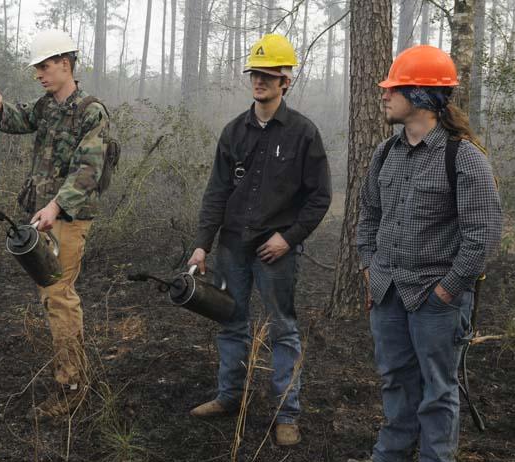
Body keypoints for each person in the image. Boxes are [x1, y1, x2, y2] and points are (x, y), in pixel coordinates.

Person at [354, 45, 502, 462]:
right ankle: (390, 454)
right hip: (387, 294)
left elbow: (483, 234)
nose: (384, 95)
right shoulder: (385, 153)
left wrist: (447, 291)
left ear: (419, 95)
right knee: (396, 381)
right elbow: (368, 214)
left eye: (393, 88)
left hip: (437, 301)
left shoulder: (464, 158)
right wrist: (370, 267)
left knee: (438, 392)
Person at [187, 34, 332, 446]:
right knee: (231, 323)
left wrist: (289, 239)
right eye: (256, 73)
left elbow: (319, 197)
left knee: (282, 329)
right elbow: (216, 192)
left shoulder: (304, 133)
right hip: (233, 247)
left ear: (286, 81)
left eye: (269, 75)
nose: (260, 81)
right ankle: (229, 397)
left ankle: (288, 413)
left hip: (276, 253)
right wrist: (202, 243)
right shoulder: (234, 131)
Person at [0, 29, 109, 418]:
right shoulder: (48, 105)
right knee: (52, 295)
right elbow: (20, 119)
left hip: (66, 218)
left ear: (65, 65)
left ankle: (70, 387)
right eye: (37, 68)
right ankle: (74, 375)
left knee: (58, 296)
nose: (39, 74)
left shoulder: (91, 111)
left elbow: (89, 169)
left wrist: (56, 206)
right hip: (43, 216)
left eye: (45, 66)